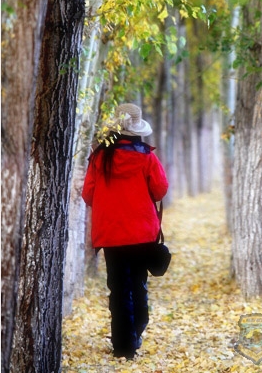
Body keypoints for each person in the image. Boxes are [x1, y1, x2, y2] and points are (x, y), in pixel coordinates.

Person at [82, 102, 169, 360]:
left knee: (119, 288)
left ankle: (123, 346)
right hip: (141, 233)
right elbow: (160, 189)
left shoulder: (99, 157)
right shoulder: (146, 157)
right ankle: (137, 329)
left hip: (111, 234)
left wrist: (108, 201)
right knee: (138, 284)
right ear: (136, 131)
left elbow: (88, 194)